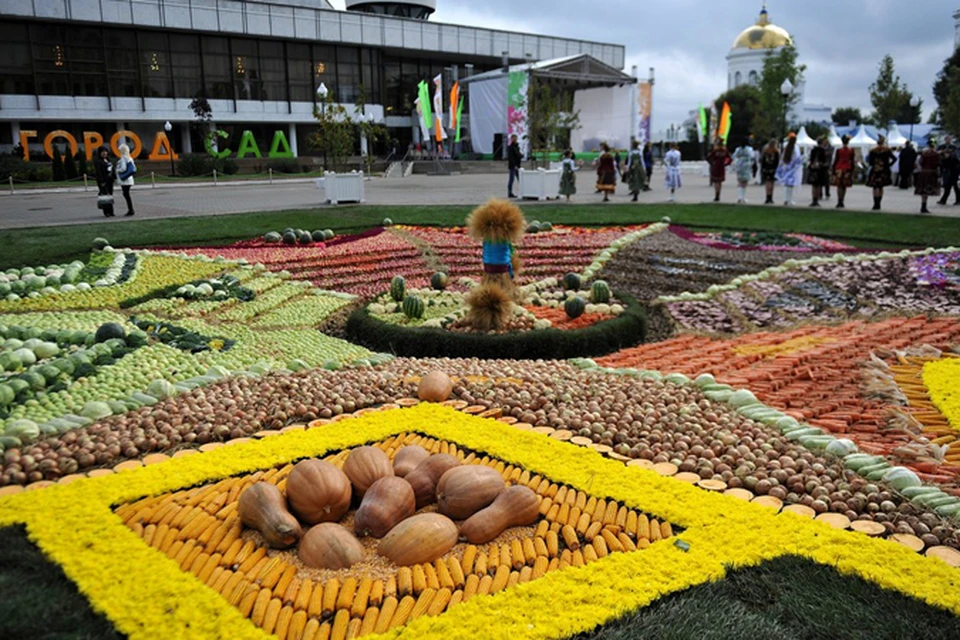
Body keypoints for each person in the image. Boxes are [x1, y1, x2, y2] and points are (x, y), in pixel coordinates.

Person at [866, 135, 896, 210]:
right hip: (884, 170)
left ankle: (875, 203)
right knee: (881, 187)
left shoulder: (873, 151)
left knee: (875, 187)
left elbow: (869, 161)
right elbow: (894, 159)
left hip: (875, 170)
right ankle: (879, 203)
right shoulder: (887, 150)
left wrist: (874, 164)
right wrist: (889, 165)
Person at [915, 138, 942, 214]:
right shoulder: (936, 154)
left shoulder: (924, 153)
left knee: (923, 190)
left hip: (923, 172)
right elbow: (938, 164)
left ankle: (923, 205)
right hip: (931, 173)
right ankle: (924, 207)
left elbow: (920, 162)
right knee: (927, 189)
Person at [775, 133, 802, 206]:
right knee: (790, 185)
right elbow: (797, 158)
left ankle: (786, 199)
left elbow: (783, 157)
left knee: (787, 185)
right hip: (792, 168)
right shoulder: (795, 147)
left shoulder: (787, 147)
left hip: (787, 167)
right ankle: (789, 200)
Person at [831, 135, 855, 209]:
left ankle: (839, 201)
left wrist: (833, 170)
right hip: (847, 168)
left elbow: (836, 160)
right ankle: (842, 201)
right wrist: (852, 170)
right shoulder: (851, 150)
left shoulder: (838, 150)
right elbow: (852, 161)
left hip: (839, 168)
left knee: (839, 186)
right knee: (844, 186)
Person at [807, 136, 830, 207]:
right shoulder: (823, 150)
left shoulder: (813, 150)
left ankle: (814, 199)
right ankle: (816, 199)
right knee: (818, 185)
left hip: (813, 168)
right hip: (820, 169)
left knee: (814, 185)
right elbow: (825, 161)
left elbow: (810, 160)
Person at [93, 145, 115, 218]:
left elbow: (112, 168)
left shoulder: (108, 160)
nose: (105, 153)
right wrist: (102, 181)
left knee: (110, 195)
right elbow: (99, 172)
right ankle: (106, 212)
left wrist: (114, 176)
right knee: (105, 196)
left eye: (106, 152)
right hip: (103, 181)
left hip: (110, 180)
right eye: (103, 152)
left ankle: (111, 211)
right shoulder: (98, 161)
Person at [937, 135, 959, 205]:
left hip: (954, 170)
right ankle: (944, 200)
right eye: (947, 139)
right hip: (948, 169)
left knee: (952, 186)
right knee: (950, 186)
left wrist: (949, 154)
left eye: (949, 139)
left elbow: (956, 157)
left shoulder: (953, 149)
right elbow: (938, 153)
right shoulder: (942, 147)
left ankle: (945, 200)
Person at [115, 144, 136, 217]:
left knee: (126, 194)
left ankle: (131, 209)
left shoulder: (123, 158)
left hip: (125, 179)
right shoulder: (129, 157)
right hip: (129, 179)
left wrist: (117, 170)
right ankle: (130, 209)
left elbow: (123, 168)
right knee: (126, 194)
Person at [732, 139, 754, 204]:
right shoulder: (749, 149)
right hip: (746, 165)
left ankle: (739, 197)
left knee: (739, 181)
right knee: (745, 182)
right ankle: (743, 197)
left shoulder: (738, 149)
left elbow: (734, 156)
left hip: (739, 165)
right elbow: (752, 156)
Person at [760, 139, 780, 204]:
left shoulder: (766, 151)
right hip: (773, 169)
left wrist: (762, 168)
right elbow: (777, 162)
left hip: (766, 168)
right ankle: (771, 197)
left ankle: (767, 197)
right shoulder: (776, 152)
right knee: (772, 183)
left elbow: (762, 161)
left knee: (767, 183)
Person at [507, 134, 521, 198]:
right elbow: (511, 157)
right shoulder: (510, 147)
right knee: (511, 179)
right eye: (514, 139)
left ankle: (522, 191)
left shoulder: (517, 147)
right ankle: (509, 192)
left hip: (518, 165)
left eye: (516, 139)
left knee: (520, 179)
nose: (515, 140)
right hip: (513, 166)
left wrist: (521, 155)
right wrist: (514, 165)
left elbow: (518, 155)